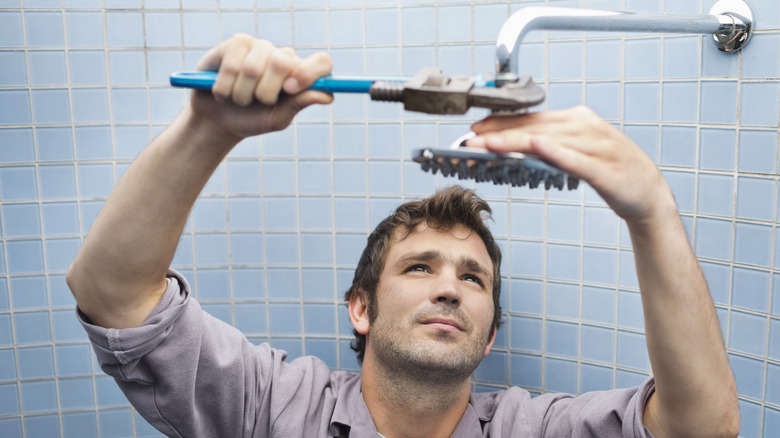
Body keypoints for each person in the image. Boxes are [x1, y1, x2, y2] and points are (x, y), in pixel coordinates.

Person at [67, 34, 739, 438]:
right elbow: (113, 293)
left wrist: (651, 210)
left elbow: (702, 429)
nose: (450, 287)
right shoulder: (271, 407)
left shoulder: (533, 428)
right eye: (419, 267)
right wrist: (205, 130)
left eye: (472, 278)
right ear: (361, 307)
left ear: (490, 333)